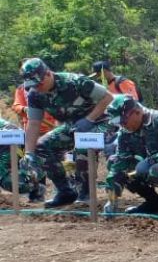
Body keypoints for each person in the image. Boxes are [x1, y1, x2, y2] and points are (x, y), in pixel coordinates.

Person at [19, 57, 113, 207]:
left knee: (83, 145)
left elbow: (108, 98)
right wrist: (29, 153)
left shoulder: (75, 82)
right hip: (73, 125)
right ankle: (65, 191)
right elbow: (34, 123)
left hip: (102, 121)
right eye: (33, 85)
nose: (37, 87)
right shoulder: (35, 94)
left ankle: (85, 193)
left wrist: (89, 119)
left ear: (48, 74)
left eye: (39, 83)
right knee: (40, 146)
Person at [1, 117, 40, 196]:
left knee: (3, 177)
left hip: (7, 139)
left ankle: (32, 184)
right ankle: (33, 178)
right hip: (15, 137)